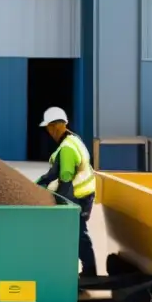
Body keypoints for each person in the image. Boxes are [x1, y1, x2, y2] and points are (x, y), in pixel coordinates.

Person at [36, 107, 97, 278]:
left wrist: (60, 202)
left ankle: (89, 272)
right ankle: (86, 270)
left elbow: (65, 178)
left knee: (77, 235)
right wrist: (36, 185)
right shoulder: (72, 140)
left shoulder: (67, 148)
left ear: (55, 126)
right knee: (75, 234)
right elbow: (53, 173)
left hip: (78, 197)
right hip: (83, 195)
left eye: (48, 128)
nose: (48, 132)